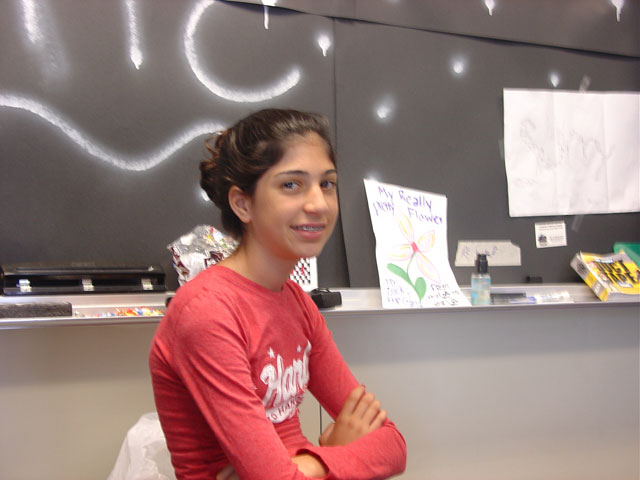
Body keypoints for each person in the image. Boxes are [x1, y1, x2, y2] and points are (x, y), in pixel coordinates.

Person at [149, 109, 407, 479]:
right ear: (243, 204)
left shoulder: (298, 304)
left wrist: (313, 462)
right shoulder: (207, 312)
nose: (318, 204)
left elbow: (394, 446)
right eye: (291, 185)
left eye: (327, 184)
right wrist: (331, 454)